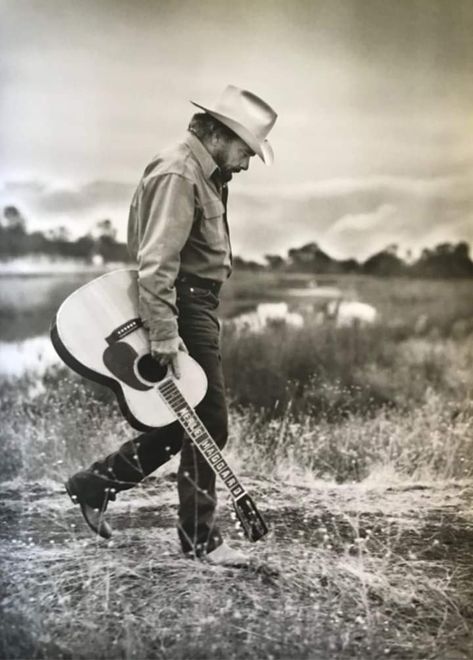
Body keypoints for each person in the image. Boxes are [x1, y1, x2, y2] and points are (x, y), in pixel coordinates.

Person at [65, 85, 277, 567]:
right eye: (245, 151)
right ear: (222, 135)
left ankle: (94, 484)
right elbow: (157, 262)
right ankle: (200, 539)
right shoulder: (180, 171)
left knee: (191, 422)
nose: (245, 164)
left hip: (195, 306)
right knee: (209, 423)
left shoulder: (203, 171)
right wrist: (163, 333)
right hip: (180, 306)